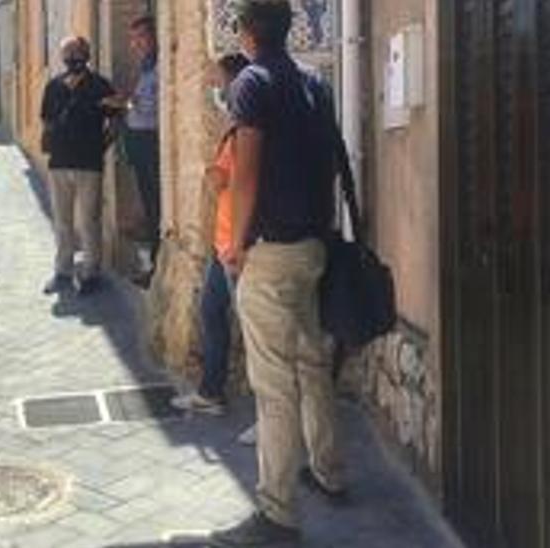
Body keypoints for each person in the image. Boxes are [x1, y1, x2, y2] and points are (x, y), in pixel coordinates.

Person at [211, 1, 346, 545]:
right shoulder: (315, 86)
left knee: (274, 386)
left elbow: (246, 171)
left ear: (246, 32)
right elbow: (332, 163)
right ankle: (329, 470)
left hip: (269, 252)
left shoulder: (251, 84)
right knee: (313, 364)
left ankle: (277, 513)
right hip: (313, 246)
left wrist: (238, 242)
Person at [171, 53, 252, 419]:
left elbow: (228, 180)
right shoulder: (235, 129)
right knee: (211, 311)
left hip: (239, 246)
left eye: (220, 82)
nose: (216, 90)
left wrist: (212, 173)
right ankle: (211, 391)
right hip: (224, 244)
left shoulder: (245, 132)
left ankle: (268, 421)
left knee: (255, 334)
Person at [40, 36, 119, 296]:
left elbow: (115, 120)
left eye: (76, 52)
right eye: (67, 53)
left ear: (87, 54)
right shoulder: (53, 87)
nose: (72, 57)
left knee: (88, 220)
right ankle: (63, 270)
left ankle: (90, 272)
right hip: (59, 163)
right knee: (62, 221)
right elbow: (47, 121)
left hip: (89, 163)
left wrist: (101, 146)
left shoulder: (100, 86)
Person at [123, 15, 161, 280]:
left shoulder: (159, 67)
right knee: (149, 205)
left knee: (156, 206)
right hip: (139, 143)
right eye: (133, 39)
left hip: (151, 144)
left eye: (141, 37)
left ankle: (157, 267)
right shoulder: (146, 67)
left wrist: (127, 103)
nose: (136, 44)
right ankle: (154, 265)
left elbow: (151, 107)